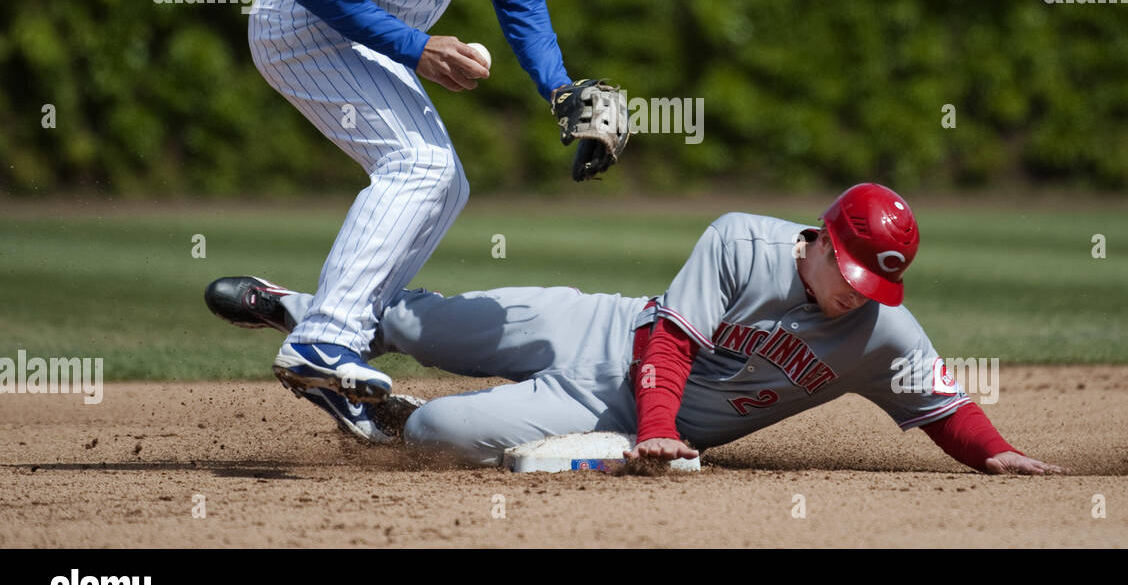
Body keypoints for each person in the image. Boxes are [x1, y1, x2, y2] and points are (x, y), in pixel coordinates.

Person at [242, 0, 619, 414]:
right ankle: (322, 340)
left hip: (372, 41)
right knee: (418, 166)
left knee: (446, 186)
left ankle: (338, 346)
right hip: (299, 27)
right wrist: (419, 49)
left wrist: (561, 91)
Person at [205, 184, 1066, 475]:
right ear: (821, 240)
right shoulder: (742, 240)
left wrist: (994, 451)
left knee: (434, 432)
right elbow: (669, 341)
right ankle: (303, 312)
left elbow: (940, 407)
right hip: (594, 327)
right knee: (411, 321)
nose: (855, 296)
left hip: (602, 415)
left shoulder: (880, 332)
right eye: (848, 274)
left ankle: (382, 417)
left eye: (873, 285)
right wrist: (663, 433)